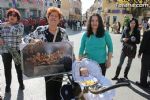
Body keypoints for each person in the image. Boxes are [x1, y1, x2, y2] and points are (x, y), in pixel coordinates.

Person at [24, 7, 70, 100]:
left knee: (57, 90)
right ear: (48, 18)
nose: (53, 18)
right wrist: (33, 40)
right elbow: (25, 39)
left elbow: (68, 48)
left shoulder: (63, 32)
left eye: (56, 16)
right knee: (49, 90)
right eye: (51, 15)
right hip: (45, 66)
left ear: (59, 19)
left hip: (59, 66)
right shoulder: (40, 30)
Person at [0, 8, 24, 93]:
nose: (12, 17)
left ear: (17, 17)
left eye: (14, 15)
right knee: (7, 69)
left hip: (16, 51)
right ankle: (8, 86)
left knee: (19, 69)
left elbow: (19, 33)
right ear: (7, 16)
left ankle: (21, 83)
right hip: (5, 51)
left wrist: (9, 25)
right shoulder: (2, 25)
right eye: (10, 15)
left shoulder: (20, 25)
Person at [136, 18, 150, 88]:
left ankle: (143, 83)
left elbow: (143, 45)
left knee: (144, 69)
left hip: (147, 55)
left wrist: (139, 53)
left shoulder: (147, 33)